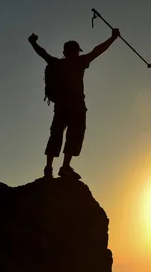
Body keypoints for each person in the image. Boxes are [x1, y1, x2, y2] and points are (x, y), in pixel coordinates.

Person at [28, 28, 120, 179]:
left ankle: (48, 169)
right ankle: (65, 167)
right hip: (76, 106)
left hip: (61, 106)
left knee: (56, 134)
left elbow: (42, 53)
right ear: (76, 51)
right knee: (75, 134)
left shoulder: (56, 63)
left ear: (64, 52)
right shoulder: (80, 62)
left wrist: (33, 42)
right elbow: (97, 51)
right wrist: (113, 38)